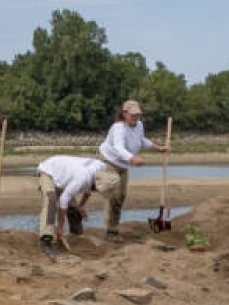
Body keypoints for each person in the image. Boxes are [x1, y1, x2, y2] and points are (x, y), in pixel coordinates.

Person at [95, 99, 170, 242]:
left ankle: (113, 227)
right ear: (124, 113)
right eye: (132, 115)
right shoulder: (118, 128)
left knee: (122, 196)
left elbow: (142, 140)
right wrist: (132, 158)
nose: (135, 117)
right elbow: (118, 148)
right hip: (109, 161)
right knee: (114, 195)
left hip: (123, 165)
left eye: (137, 115)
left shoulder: (139, 125)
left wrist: (159, 148)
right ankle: (111, 230)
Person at [36, 155, 120, 258]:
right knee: (51, 201)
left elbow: (89, 189)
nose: (97, 192)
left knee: (74, 209)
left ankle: (76, 236)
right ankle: (46, 240)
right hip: (49, 172)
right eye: (98, 190)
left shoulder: (101, 169)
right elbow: (63, 201)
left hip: (65, 178)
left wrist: (81, 206)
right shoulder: (81, 178)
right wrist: (60, 229)